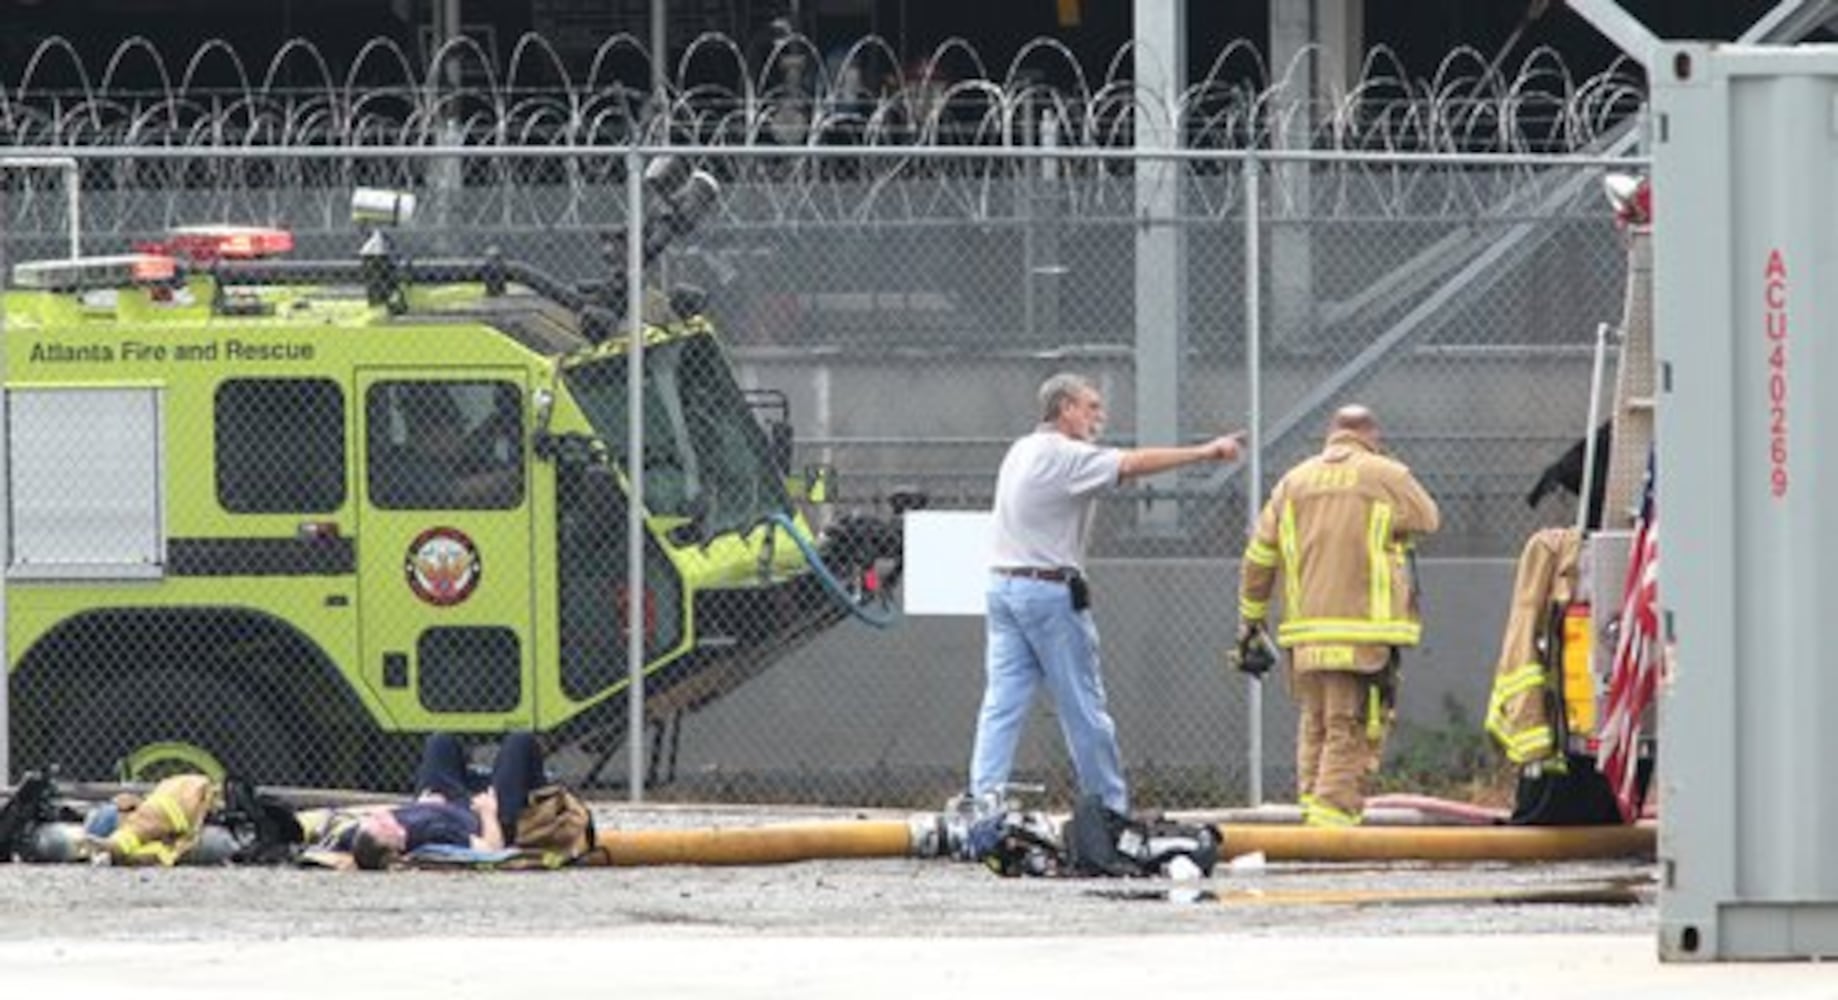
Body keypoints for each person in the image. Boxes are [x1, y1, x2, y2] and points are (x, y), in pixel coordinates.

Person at [967, 373, 1245, 815]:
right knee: (1083, 706)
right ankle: (1108, 809)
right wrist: (1206, 452)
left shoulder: (1021, 450)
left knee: (1002, 702)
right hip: (1047, 592)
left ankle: (983, 800)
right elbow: (1131, 465)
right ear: (1065, 410)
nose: (1099, 416)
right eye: (1090, 407)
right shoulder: (1066, 456)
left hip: (1003, 588)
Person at [1235, 405, 1440, 827]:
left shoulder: (1293, 481)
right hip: (1363, 631)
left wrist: (1252, 620)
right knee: (1350, 727)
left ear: (1331, 434)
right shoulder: (1387, 474)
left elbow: (1258, 556)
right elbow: (1428, 519)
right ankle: (1332, 829)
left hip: (1305, 634)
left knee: (1316, 724)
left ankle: (1313, 819)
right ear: (1372, 435)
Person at [349, 732, 547, 870]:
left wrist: (420, 805)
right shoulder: (432, 832)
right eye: (383, 826)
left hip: (444, 800)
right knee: (520, 741)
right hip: (485, 811)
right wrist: (488, 812)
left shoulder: (373, 832)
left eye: (374, 821)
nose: (379, 817)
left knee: (440, 741)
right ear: (398, 842)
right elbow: (491, 849)